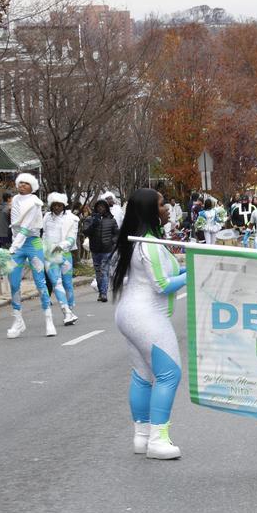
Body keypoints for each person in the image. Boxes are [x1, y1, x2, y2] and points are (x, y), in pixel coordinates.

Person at [113, 188, 188, 460]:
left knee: (143, 376)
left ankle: (142, 437)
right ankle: (159, 440)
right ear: (149, 211)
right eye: (161, 204)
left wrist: (189, 267)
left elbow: (168, 272)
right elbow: (163, 285)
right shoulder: (149, 244)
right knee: (169, 374)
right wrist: (193, 275)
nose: (167, 207)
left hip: (130, 314)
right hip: (146, 315)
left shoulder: (140, 242)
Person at [6, 173, 55, 338]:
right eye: (20, 183)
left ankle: (49, 319)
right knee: (13, 282)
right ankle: (17, 320)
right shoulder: (15, 200)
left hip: (32, 243)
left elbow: (26, 227)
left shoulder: (35, 202)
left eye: (26, 183)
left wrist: (15, 244)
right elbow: (14, 225)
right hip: (17, 245)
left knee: (40, 282)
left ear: (32, 187)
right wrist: (14, 244)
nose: (22, 186)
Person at [43, 192, 79, 326]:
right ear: (51, 206)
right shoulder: (46, 217)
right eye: (54, 205)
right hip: (50, 256)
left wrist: (60, 246)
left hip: (65, 255)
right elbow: (44, 235)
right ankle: (66, 312)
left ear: (64, 206)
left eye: (59, 205)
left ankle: (70, 309)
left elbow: (71, 238)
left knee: (68, 284)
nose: (57, 207)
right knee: (56, 282)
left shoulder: (72, 219)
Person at [83, 199, 119, 302]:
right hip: (95, 250)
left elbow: (117, 233)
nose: (100, 208)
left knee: (104, 271)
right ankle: (101, 291)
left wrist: (112, 241)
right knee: (98, 272)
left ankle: (104, 293)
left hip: (107, 250)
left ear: (106, 208)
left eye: (103, 206)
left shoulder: (112, 220)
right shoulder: (90, 219)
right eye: (99, 206)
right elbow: (85, 232)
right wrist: (94, 223)